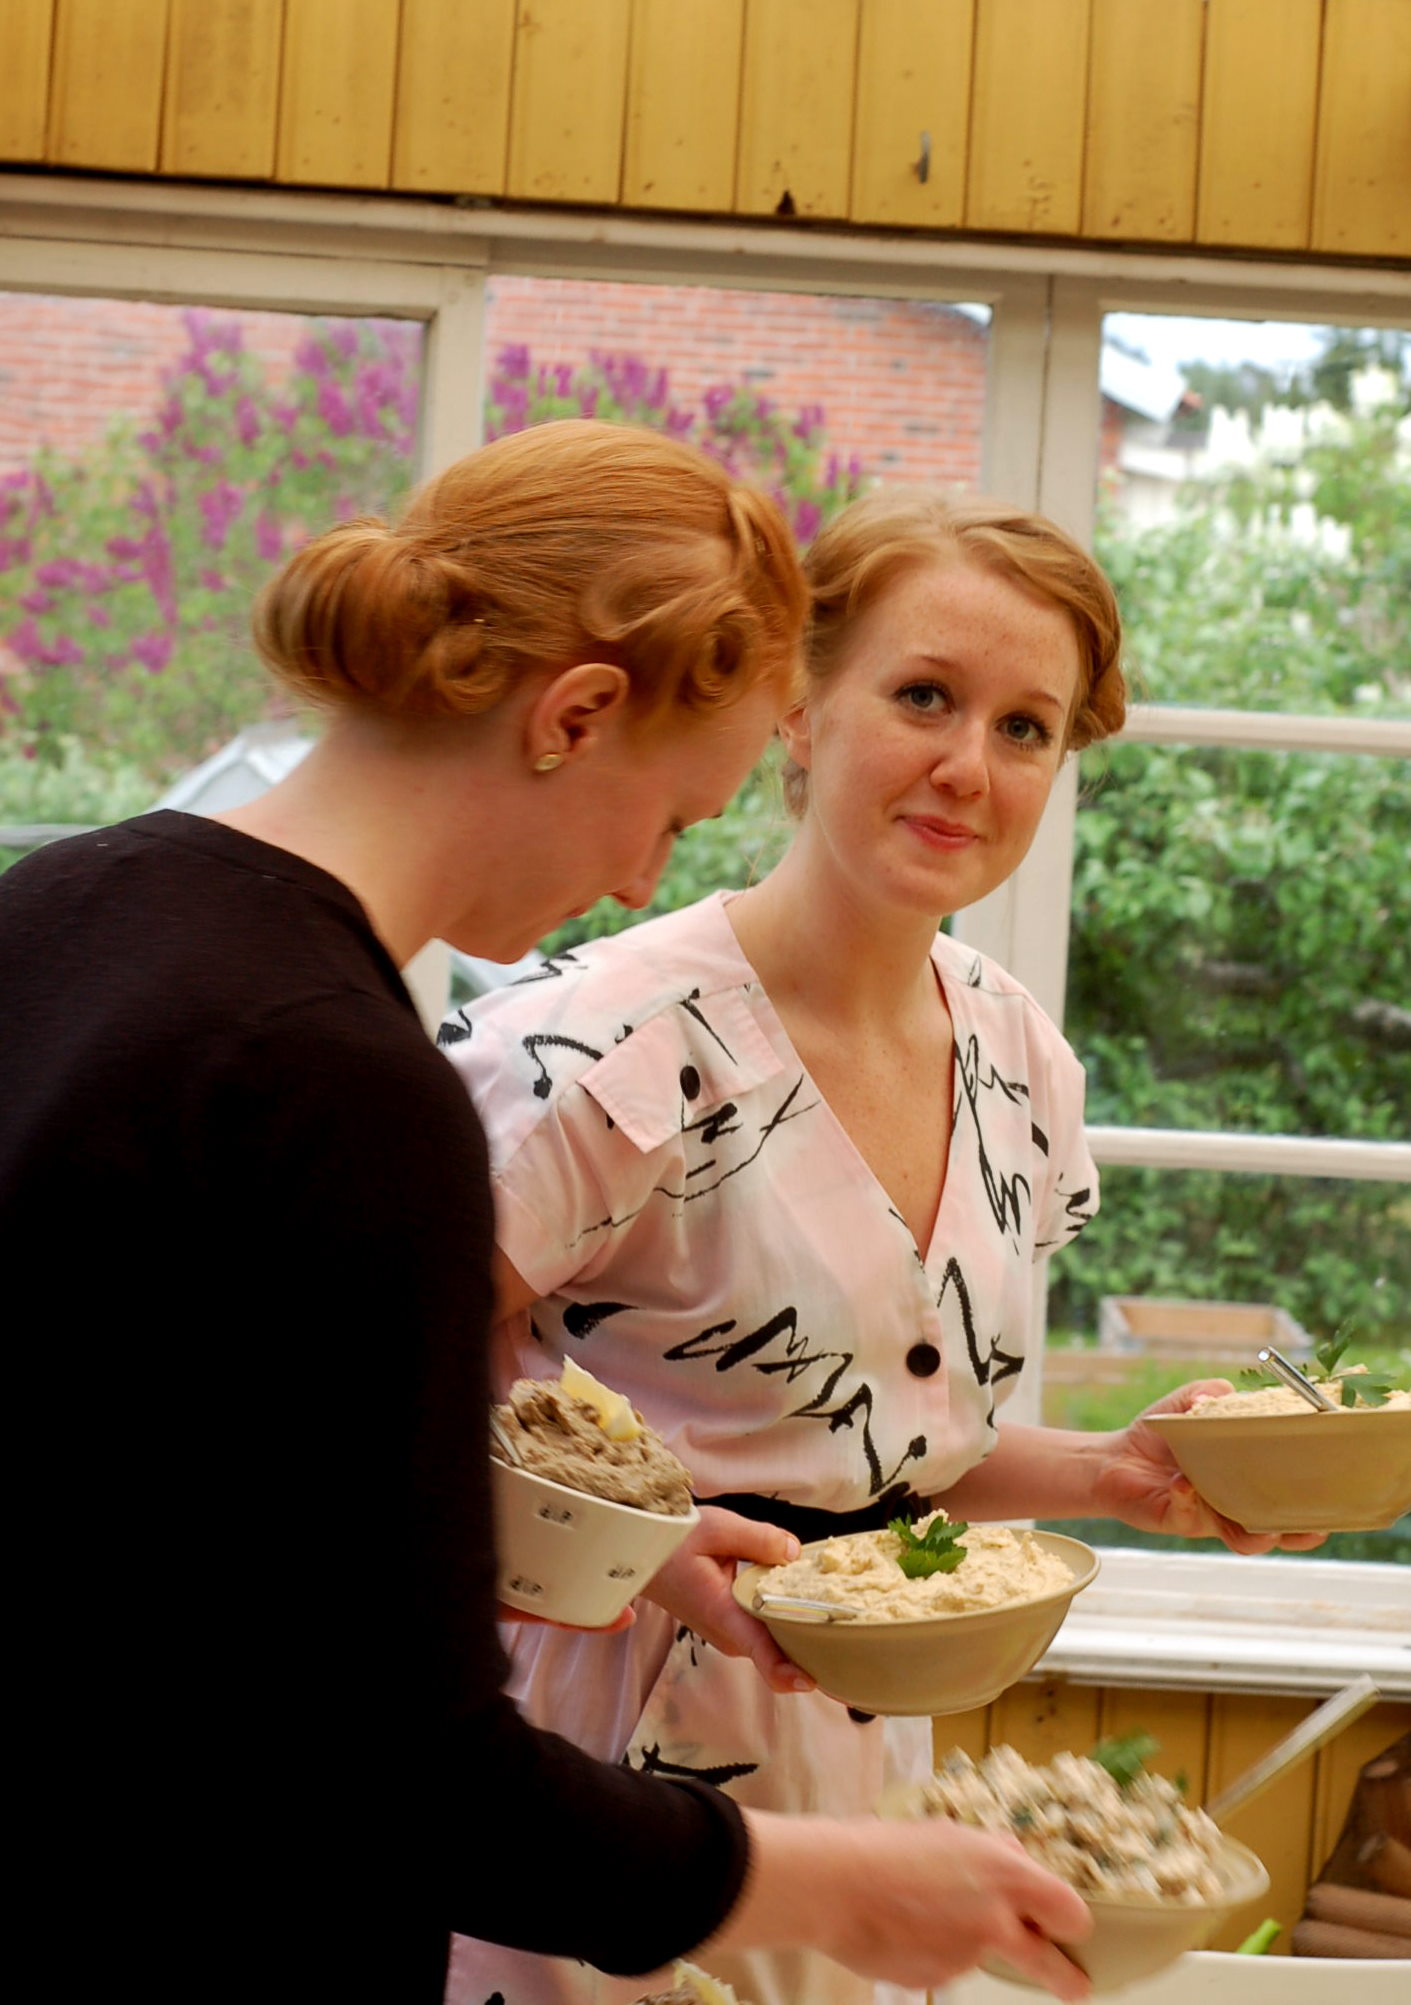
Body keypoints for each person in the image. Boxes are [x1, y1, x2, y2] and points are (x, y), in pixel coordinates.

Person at [1, 426, 1095, 2005]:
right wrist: (839, 1888)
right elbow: (411, 1769)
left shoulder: (61, 905)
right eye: (675, 814)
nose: (645, 877)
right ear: (574, 716)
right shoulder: (345, 1084)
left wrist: (626, 1536)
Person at [447, 485, 1325, 2005]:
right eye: (924, 695)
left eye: (1025, 727)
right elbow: (353, 1409)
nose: (968, 766)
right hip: (586, 1789)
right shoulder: (600, 1048)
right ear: (798, 702)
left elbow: (880, 1460)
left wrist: (1115, 1473)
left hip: (872, 1796)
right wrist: (644, 1555)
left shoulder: (1017, 1059)